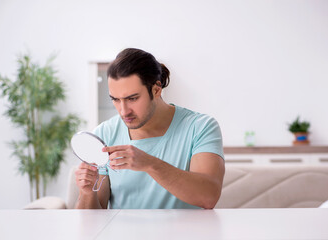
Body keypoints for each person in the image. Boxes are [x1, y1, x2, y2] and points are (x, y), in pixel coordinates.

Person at [75, 48, 225, 209]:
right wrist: (87, 192)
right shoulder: (104, 133)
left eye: (132, 98)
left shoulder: (200, 127)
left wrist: (149, 164)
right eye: (116, 99)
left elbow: (209, 197)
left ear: (156, 90)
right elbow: (93, 220)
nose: (123, 111)